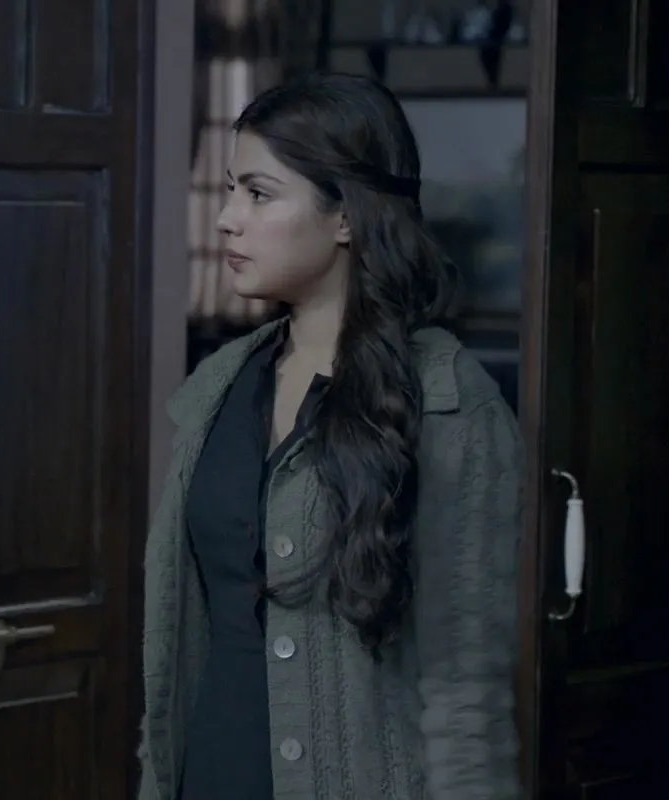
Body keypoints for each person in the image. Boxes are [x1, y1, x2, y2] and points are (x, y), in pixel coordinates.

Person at [136, 73, 522, 799]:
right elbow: (176, 651)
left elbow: (467, 689)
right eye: (231, 190)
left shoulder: (447, 401)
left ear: (344, 215)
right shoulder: (218, 388)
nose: (226, 219)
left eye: (259, 194)